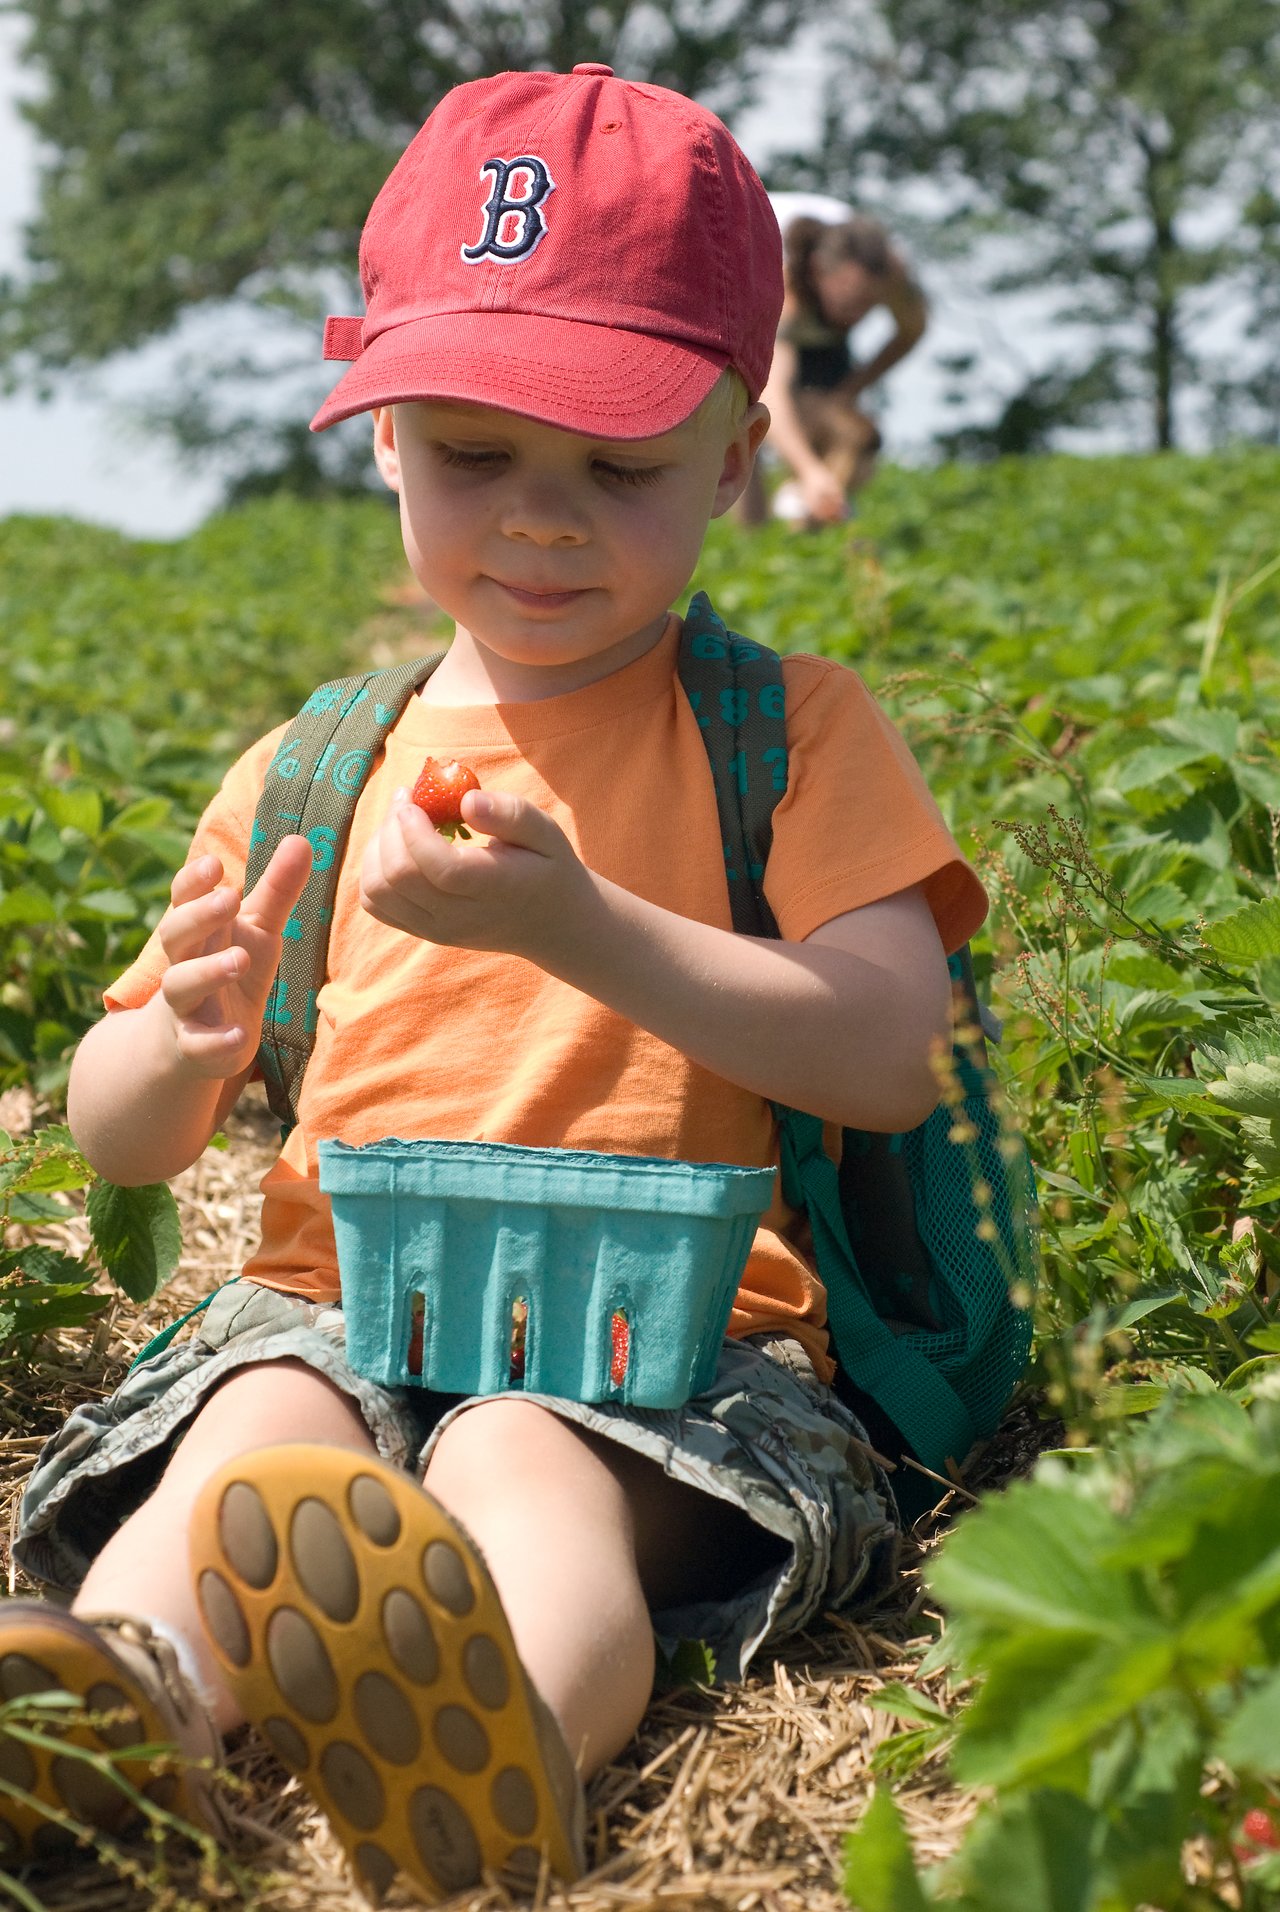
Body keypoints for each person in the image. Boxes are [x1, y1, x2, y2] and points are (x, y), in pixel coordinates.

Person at [2, 63, 986, 1903]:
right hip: (338, 1294)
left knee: (531, 1465)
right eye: (475, 456)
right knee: (247, 1443)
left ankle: (498, 1743)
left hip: (672, 1340)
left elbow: (888, 1057)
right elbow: (125, 1141)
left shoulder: (787, 733)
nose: (541, 521)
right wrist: (171, 1029)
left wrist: (584, 925)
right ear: (382, 439)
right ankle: (112, 1703)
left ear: (734, 456)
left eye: (617, 470)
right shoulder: (322, 756)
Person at [741, 191, 928, 528]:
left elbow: (912, 330)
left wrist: (851, 390)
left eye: (870, 303)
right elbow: (772, 391)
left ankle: (810, 526)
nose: (858, 315)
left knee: (852, 432)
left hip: (820, 334)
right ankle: (752, 538)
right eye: (851, 300)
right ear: (818, 272)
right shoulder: (782, 280)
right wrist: (808, 468)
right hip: (744, 304)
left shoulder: (892, 270)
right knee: (743, 423)